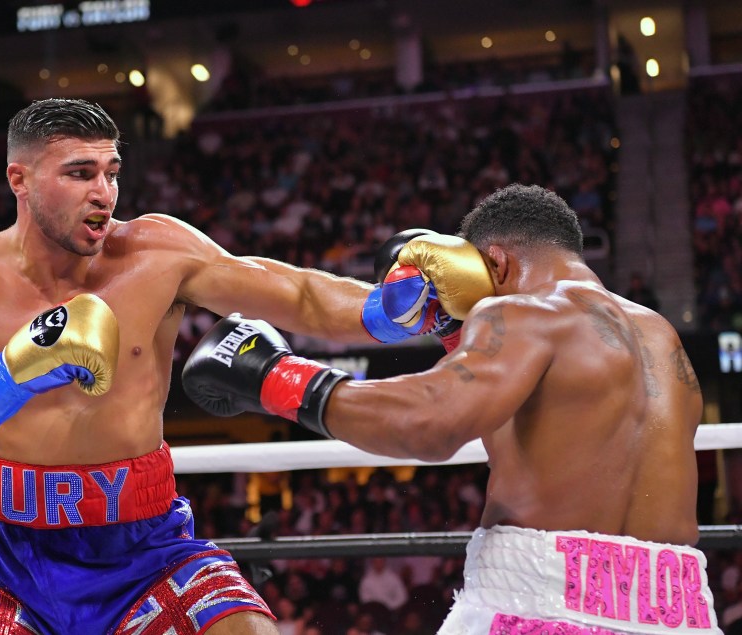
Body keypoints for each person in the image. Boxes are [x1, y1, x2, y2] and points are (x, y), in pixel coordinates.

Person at [0, 98, 410, 635]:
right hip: (6, 561)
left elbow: (296, 293)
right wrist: (7, 376)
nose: (103, 193)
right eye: (80, 174)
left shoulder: (156, 252)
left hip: (147, 548)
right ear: (20, 180)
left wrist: (390, 310)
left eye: (111, 172)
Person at [183, 183, 721, 634]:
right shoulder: (659, 336)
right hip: (681, 611)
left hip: (541, 603)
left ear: (496, 261)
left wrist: (276, 377)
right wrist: (453, 336)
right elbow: (558, 436)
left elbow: (429, 422)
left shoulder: (523, 313)